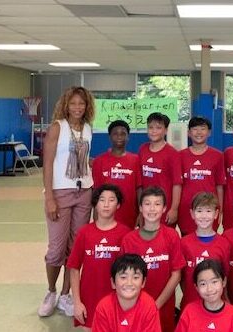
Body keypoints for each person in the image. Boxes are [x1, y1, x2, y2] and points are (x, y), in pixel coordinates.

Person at [39, 86, 95, 317]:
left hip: (84, 192)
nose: (77, 108)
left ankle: (65, 294)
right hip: (61, 193)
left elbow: (85, 159)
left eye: (81, 104)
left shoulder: (88, 129)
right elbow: (49, 163)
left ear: (87, 106)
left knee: (75, 248)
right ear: (66, 105)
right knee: (56, 249)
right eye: (73, 103)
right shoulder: (57, 128)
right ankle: (51, 291)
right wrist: (49, 197)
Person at [121, 186, 185, 332]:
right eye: (147, 204)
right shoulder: (129, 240)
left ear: (164, 209)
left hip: (163, 307)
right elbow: (122, 277)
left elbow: (176, 275)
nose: (152, 209)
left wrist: (156, 305)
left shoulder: (171, 236)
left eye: (157, 204)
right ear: (141, 208)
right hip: (135, 306)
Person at [67, 184, 131, 329]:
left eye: (111, 200)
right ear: (95, 204)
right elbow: (74, 269)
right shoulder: (84, 233)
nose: (106, 204)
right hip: (89, 300)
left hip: (116, 301)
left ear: (118, 205)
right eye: (102, 200)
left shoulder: (125, 234)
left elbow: (130, 272)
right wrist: (77, 303)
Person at [180, 192, 231, 309]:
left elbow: (225, 276)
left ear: (216, 214)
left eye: (208, 211)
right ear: (192, 214)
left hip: (216, 305)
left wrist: (226, 298)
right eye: (199, 211)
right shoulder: (183, 243)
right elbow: (181, 278)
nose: (204, 216)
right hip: (190, 304)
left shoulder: (224, 244)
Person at [178, 116, 226, 235]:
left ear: (209, 132)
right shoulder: (180, 156)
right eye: (194, 129)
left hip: (209, 208)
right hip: (186, 209)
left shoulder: (218, 156)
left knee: (208, 243)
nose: (199, 132)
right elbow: (177, 185)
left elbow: (220, 185)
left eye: (202, 129)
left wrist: (220, 210)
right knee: (187, 243)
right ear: (189, 133)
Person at [92, 254, 162, 332]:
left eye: (135, 277)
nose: (129, 283)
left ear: (143, 282)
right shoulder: (103, 307)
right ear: (113, 282)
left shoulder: (149, 306)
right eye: (123, 277)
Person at [92, 120, 142, 229]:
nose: (119, 137)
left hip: (129, 215)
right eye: (115, 134)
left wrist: (141, 212)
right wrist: (95, 213)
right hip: (106, 215)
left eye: (123, 134)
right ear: (109, 137)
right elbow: (96, 190)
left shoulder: (136, 160)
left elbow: (139, 188)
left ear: (128, 137)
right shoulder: (99, 161)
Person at [138, 112, 183, 226]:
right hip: (146, 206)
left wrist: (174, 209)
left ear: (166, 130)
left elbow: (177, 184)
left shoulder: (172, 153)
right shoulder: (142, 149)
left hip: (164, 207)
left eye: (158, 128)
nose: (154, 131)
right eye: (151, 127)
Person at [175, 259, 233, 332]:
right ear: (197, 287)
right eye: (203, 284)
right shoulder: (189, 311)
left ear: (223, 282)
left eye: (214, 282)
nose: (209, 289)